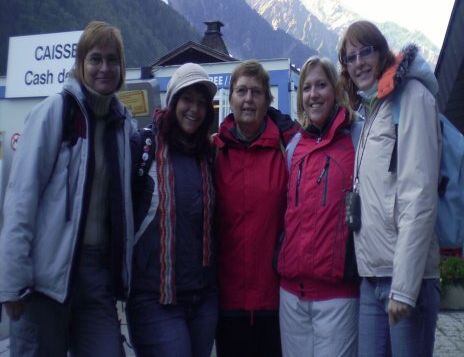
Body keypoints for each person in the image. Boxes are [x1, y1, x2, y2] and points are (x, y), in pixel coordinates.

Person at [0, 20, 135, 357]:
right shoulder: (54, 112)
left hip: (97, 277)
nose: (104, 68)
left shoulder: (122, 125)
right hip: (43, 280)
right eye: (95, 58)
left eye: (113, 60)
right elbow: (21, 198)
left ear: (122, 68)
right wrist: (12, 282)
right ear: (80, 64)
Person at [338, 20, 441, 357]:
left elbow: (419, 195)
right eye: (350, 57)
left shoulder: (412, 98)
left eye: (365, 52)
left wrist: (405, 287)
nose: (358, 63)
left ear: (382, 52)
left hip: (406, 280)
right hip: (372, 278)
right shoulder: (374, 107)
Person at [127, 63, 219, 356]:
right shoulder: (144, 147)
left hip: (203, 297)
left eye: (201, 103)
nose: (194, 109)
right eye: (187, 99)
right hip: (154, 297)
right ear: (173, 101)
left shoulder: (209, 154)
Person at [213, 60, 298, 357]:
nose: (248, 99)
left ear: (267, 102)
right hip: (228, 300)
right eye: (241, 91)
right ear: (231, 99)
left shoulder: (288, 150)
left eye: (256, 92)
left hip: (275, 299)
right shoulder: (214, 152)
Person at [277, 57, 361, 357]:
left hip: (338, 297)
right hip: (291, 297)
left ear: (336, 90)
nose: (313, 94)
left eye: (321, 85)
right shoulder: (293, 148)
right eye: (306, 87)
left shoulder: (357, 139)